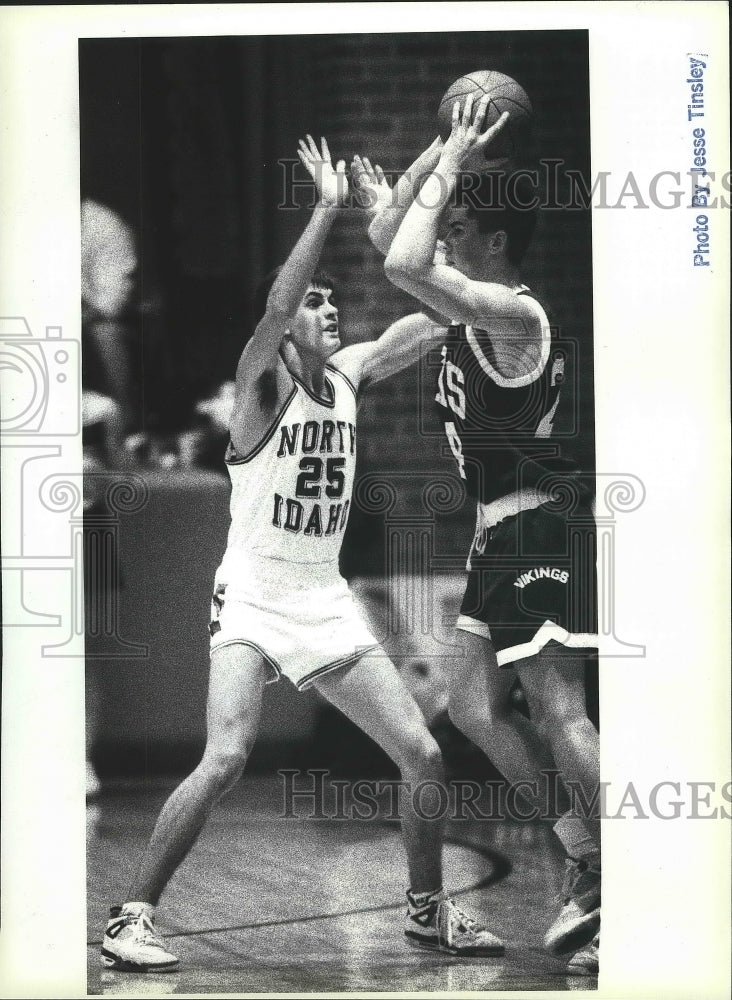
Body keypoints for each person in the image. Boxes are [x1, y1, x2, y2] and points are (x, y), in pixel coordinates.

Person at [101, 135, 504, 973]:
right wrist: (324, 208)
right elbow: (277, 310)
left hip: (321, 596)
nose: (328, 310)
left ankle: (427, 912)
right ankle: (132, 915)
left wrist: (433, 181)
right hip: (252, 594)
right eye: (317, 302)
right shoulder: (258, 384)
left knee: (423, 753)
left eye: (331, 301)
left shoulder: (350, 375)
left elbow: (438, 314)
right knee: (226, 757)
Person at [355, 95, 600, 971]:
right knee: (469, 708)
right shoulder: (459, 311)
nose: (446, 236)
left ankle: (624, 873)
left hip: (544, 525)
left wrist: (453, 160)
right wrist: (442, 141)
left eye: (462, 227)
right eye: (448, 225)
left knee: (557, 704)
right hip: (499, 537)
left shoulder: (513, 315)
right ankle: (586, 856)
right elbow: (395, 237)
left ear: (496, 245)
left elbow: (407, 255)